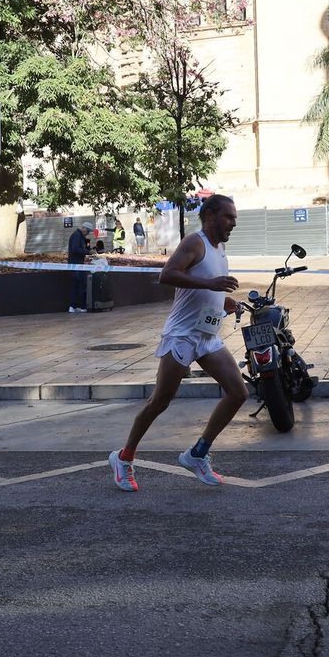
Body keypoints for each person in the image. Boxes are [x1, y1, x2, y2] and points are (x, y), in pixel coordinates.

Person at [107, 194, 246, 492]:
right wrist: (210, 285)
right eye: (228, 217)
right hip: (181, 336)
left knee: (238, 392)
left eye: (234, 218)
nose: (233, 223)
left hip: (206, 334)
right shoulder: (194, 243)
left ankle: (197, 455)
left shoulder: (219, 249)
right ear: (209, 215)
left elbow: (208, 289)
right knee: (160, 401)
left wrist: (224, 301)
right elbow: (166, 274)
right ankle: (123, 457)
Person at [67, 221, 92, 313]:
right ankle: (80, 306)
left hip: (76, 263)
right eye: (88, 231)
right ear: (84, 229)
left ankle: (73, 306)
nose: (87, 233)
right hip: (76, 264)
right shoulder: (77, 236)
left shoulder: (78, 236)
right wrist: (87, 252)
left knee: (76, 285)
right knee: (80, 285)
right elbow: (75, 249)